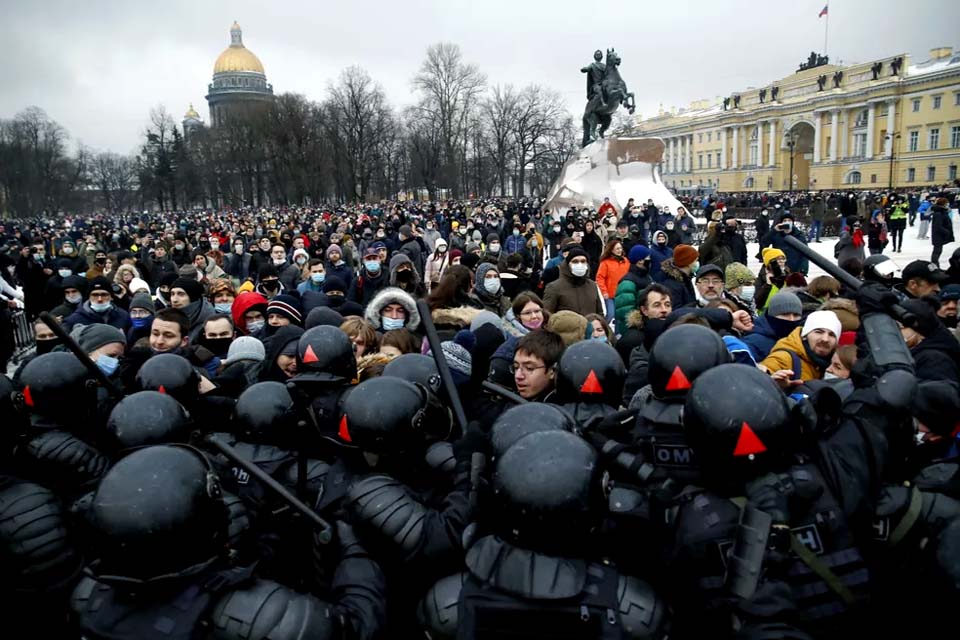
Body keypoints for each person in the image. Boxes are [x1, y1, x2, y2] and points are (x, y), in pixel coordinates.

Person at [760, 309, 841, 385]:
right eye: (818, 332)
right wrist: (776, 384)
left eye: (832, 335)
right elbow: (758, 384)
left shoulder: (833, 365)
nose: (825, 339)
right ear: (805, 336)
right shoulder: (784, 358)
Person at [899, 296, 960, 385]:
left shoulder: (935, 360)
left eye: (900, 327)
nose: (896, 331)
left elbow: (937, 395)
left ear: (919, 331)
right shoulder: (915, 352)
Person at [742, 291, 804, 361]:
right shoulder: (752, 342)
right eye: (785, 314)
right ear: (771, 316)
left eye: (796, 315)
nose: (791, 319)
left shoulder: (801, 341)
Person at [543, 247, 604, 317]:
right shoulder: (554, 287)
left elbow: (599, 313)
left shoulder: (592, 285)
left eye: (583, 261)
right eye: (575, 261)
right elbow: (547, 314)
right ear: (567, 265)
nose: (580, 264)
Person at [512, 329, 564, 401]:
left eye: (529, 368)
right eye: (516, 367)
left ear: (552, 371)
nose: (518, 376)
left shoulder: (563, 409)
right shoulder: (508, 400)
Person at [64, 276, 130, 331]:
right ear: (89, 297)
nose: (99, 299)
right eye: (95, 295)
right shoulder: (74, 320)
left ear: (111, 297)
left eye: (104, 295)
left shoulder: (123, 316)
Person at [653, 244, 698, 309]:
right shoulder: (672, 285)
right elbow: (676, 312)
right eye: (696, 260)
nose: (697, 263)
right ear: (688, 262)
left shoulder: (685, 279)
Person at [596, 239, 629, 321]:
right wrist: (604, 291)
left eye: (620, 248)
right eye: (617, 249)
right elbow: (600, 277)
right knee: (611, 314)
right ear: (612, 250)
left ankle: (618, 333)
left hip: (622, 293)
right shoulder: (605, 262)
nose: (620, 250)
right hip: (610, 294)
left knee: (619, 315)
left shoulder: (626, 261)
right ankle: (604, 327)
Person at [930, 197, 955, 266]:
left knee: (938, 251)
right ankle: (934, 266)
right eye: (946, 203)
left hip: (940, 235)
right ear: (943, 204)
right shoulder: (938, 213)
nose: (947, 204)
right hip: (938, 235)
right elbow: (938, 226)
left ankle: (935, 265)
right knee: (937, 252)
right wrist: (947, 232)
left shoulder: (941, 211)